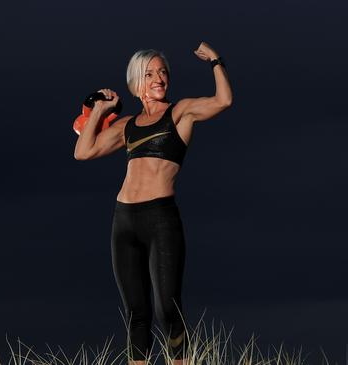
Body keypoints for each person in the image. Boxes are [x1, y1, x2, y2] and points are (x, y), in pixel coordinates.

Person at [73, 42, 232, 365]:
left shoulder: (181, 111)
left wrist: (216, 61)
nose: (158, 79)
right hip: (124, 221)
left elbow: (223, 101)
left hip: (160, 219)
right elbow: (83, 151)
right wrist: (100, 111)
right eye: (149, 74)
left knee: (167, 308)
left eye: (162, 73)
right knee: (136, 313)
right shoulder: (126, 125)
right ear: (136, 83)